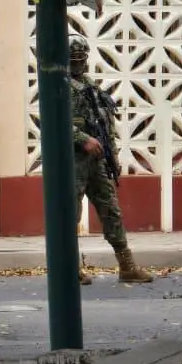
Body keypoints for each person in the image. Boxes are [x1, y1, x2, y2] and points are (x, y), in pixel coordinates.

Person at [69, 35, 152, 285]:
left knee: (111, 211)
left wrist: (111, 152)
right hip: (72, 160)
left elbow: (105, 123)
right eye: (74, 58)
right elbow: (54, 122)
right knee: (71, 214)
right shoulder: (59, 86)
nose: (78, 62)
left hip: (96, 161)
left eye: (81, 57)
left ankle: (127, 265)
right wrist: (83, 138)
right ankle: (70, 269)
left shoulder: (90, 87)